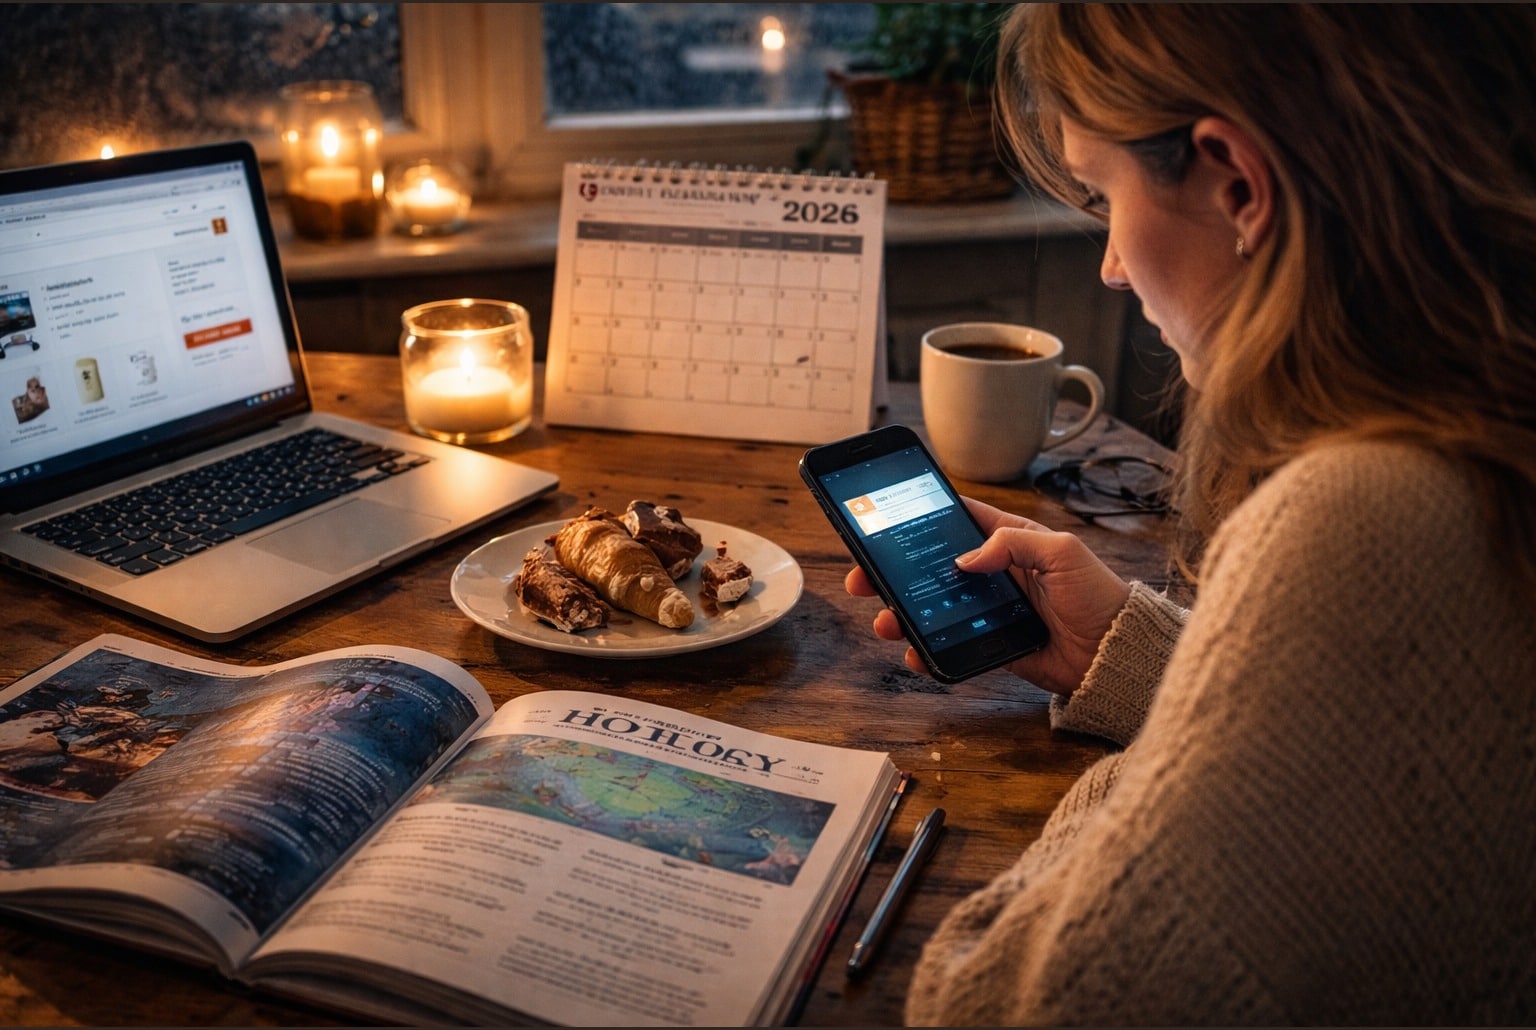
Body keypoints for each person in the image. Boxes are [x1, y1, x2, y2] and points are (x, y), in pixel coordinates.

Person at [847, 5, 1536, 1024]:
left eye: (1102, 195)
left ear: (1237, 183)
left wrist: (1145, 775)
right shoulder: (1483, 428)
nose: (1111, 266)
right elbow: (1381, 764)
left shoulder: (1368, 512)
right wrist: (1141, 660)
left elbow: (1004, 1001)